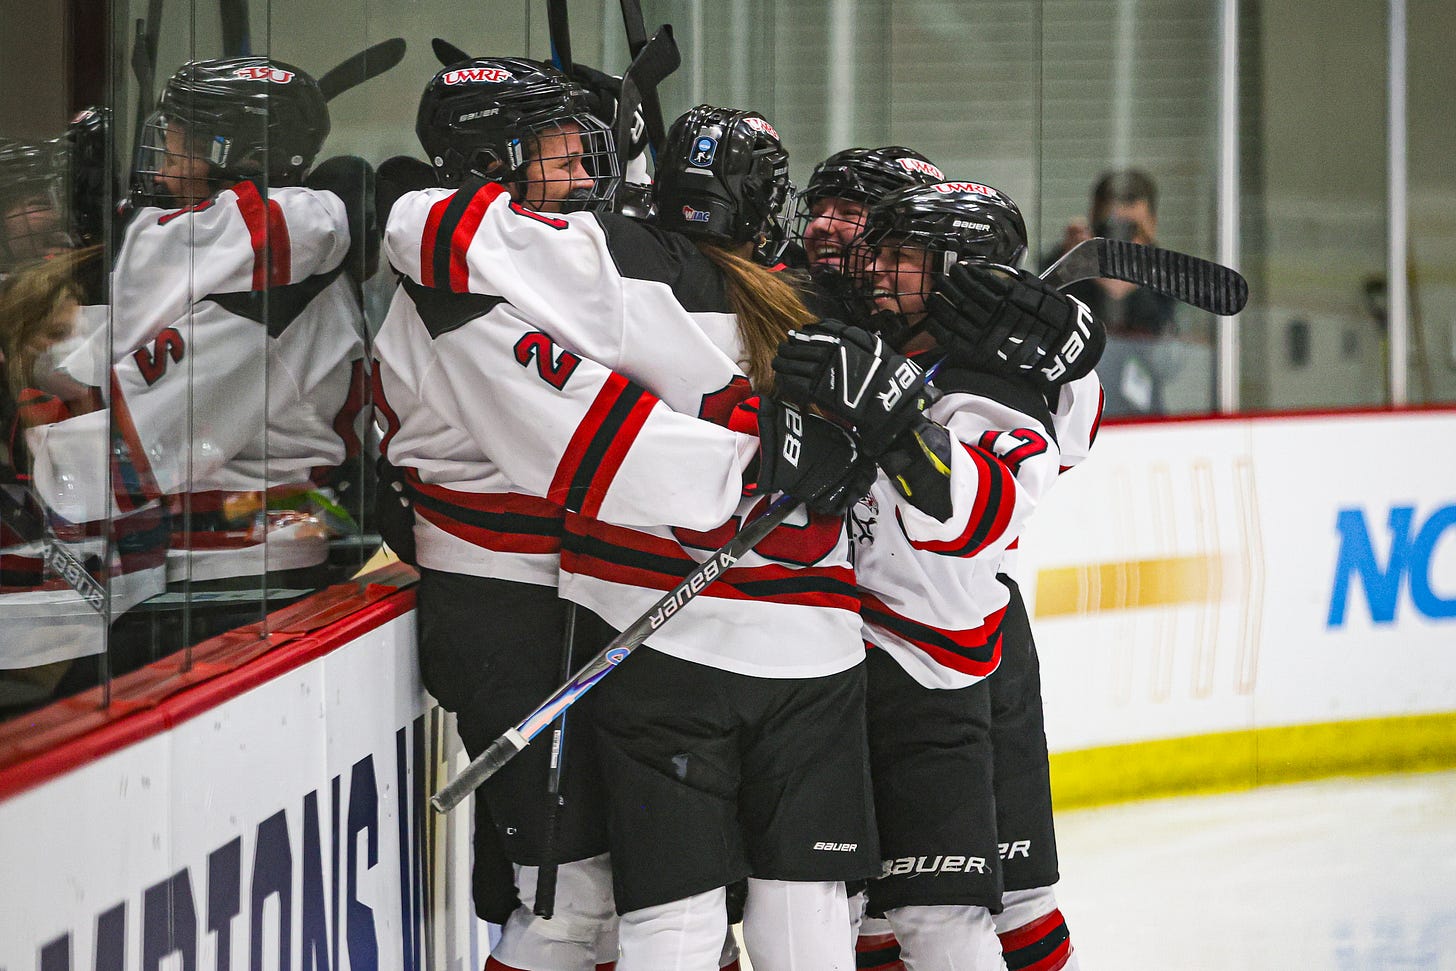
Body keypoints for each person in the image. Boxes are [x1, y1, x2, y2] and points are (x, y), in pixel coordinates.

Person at [380, 75, 877, 968]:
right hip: (505, 606)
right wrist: (752, 463)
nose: (585, 163)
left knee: (627, 897)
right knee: (573, 904)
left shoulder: (546, 264)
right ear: (492, 165)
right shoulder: (457, 282)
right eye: (559, 147)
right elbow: (581, 440)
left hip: (564, 599)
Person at [775, 179, 1103, 970]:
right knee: (851, 911)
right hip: (843, 660)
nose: (877, 267)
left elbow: (979, 514)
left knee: (944, 914)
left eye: (901, 254)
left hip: (931, 671)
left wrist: (897, 424)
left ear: (960, 270)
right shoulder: (882, 341)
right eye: (876, 247)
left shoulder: (996, 384)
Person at [20, 57, 369, 669]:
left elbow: (135, 449)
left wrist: (28, 457)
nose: (162, 166)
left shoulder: (276, 286)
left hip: (241, 581)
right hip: (204, 567)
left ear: (240, 157)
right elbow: (111, 359)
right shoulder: (228, 255)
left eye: (181, 146)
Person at [1050, 168, 1177, 416]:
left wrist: (1132, 281)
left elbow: (1170, 361)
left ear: (1152, 225)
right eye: (1112, 227)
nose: (1122, 239)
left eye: (1133, 229)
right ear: (1093, 220)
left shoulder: (1170, 275)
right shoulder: (1068, 264)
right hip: (1074, 413)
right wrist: (1074, 264)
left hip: (1144, 414)